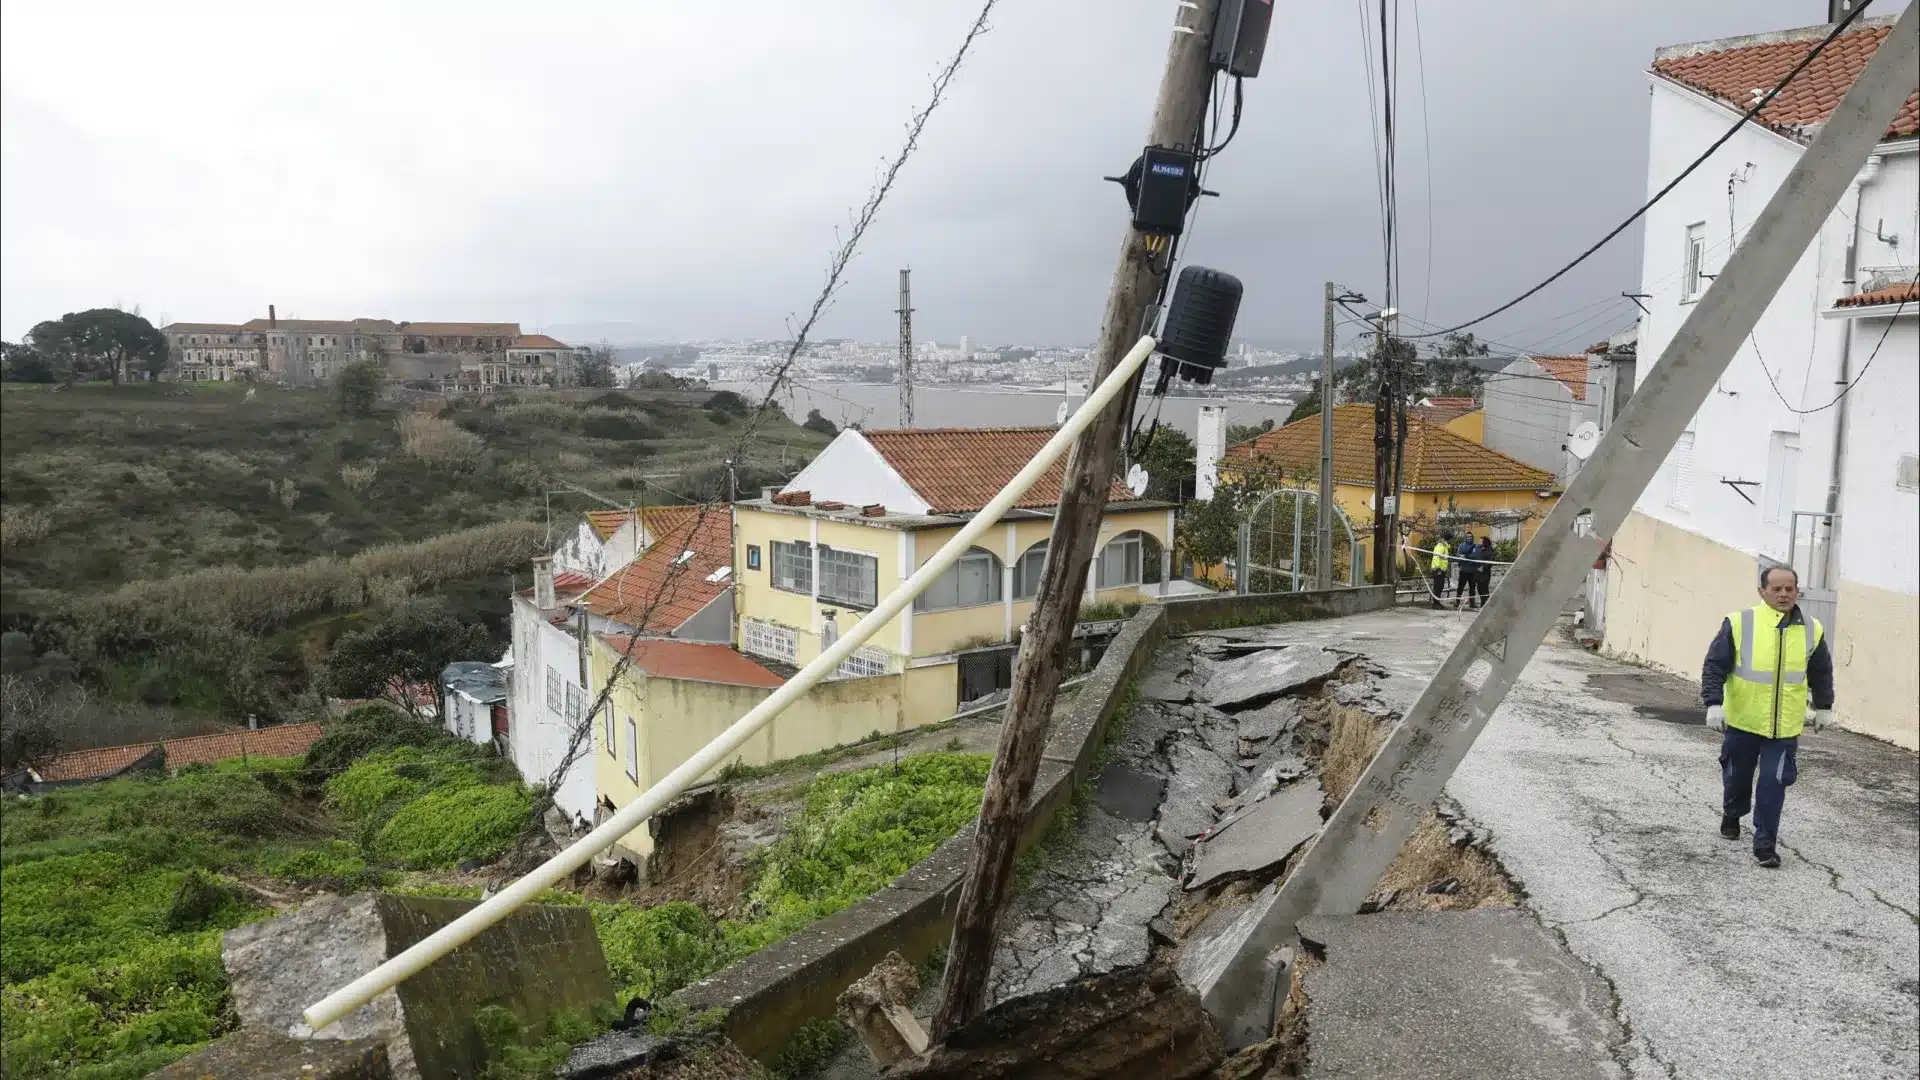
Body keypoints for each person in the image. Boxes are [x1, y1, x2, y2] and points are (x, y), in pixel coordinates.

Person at [1701, 565, 1834, 869]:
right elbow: (1714, 666)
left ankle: (1764, 844)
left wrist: (1824, 706)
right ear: (1762, 592)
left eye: (1790, 588)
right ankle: (1732, 813)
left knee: (1774, 783)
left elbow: (1820, 671)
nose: (1784, 594)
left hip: (1785, 725)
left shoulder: (1812, 628)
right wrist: (1714, 703)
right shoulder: (1739, 623)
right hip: (1743, 721)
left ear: (1797, 591)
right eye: (1777, 589)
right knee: (1737, 778)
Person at [1428, 533, 1451, 610]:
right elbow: (1436, 558)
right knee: (1438, 587)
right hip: (1438, 570)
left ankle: (1437, 602)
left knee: (1440, 587)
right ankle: (1435, 604)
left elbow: (1444, 559)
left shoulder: (1444, 547)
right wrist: (1438, 569)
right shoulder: (1440, 547)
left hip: (1442, 570)